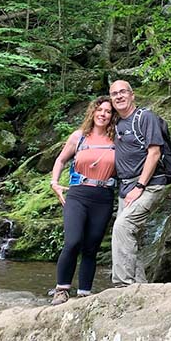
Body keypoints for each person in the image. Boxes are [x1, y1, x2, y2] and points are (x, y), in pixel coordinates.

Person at [49, 96, 117, 305]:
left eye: (108, 111)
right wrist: (54, 182)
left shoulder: (117, 140)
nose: (103, 114)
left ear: (112, 116)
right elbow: (60, 160)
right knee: (73, 241)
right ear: (93, 112)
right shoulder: (79, 137)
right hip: (78, 194)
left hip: (103, 197)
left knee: (91, 247)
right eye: (100, 110)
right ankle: (62, 290)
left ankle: (84, 293)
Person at [109, 80, 168, 286]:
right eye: (114, 93)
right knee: (129, 236)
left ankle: (122, 285)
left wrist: (140, 186)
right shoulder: (115, 124)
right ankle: (140, 286)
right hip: (125, 187)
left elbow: (154, 153)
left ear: (132, 95)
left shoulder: (145, 117)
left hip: (148, 185)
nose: (119, 96)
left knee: (123, 227)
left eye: (123, 92)